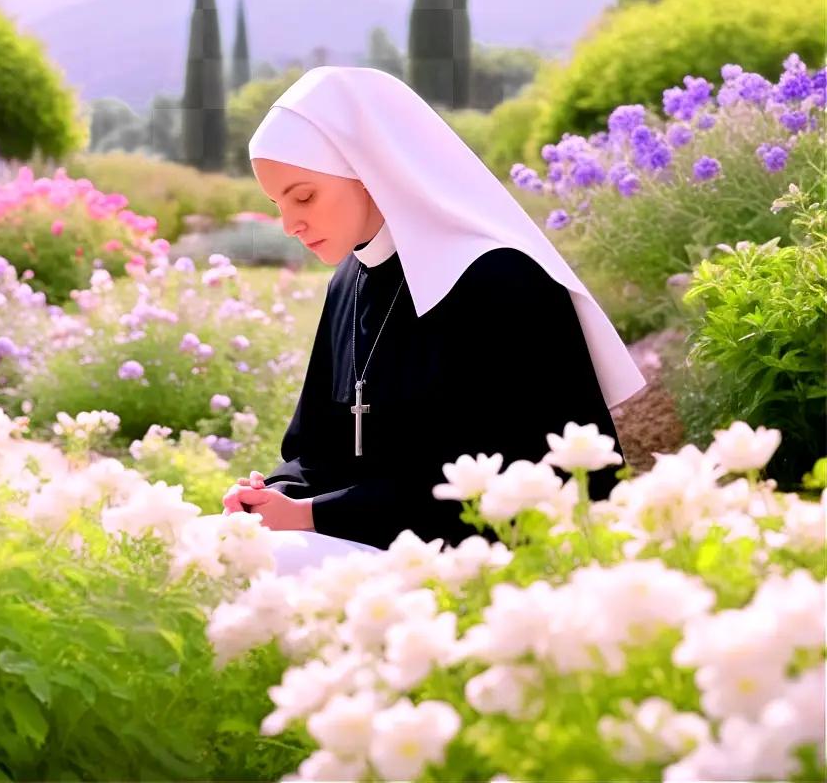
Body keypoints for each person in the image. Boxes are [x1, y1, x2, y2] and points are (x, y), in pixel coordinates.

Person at [222, 66, 646, 560]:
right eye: (277, 203)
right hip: (372, 545)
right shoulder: (351, 280)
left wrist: (314, 516)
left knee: (261, 564)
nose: (290, 224)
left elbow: (507, 478)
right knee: (220, 543)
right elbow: (314, 452)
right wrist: (273, 494)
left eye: (304, 196)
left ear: (370, 168)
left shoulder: (500, 281)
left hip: (492, 565)